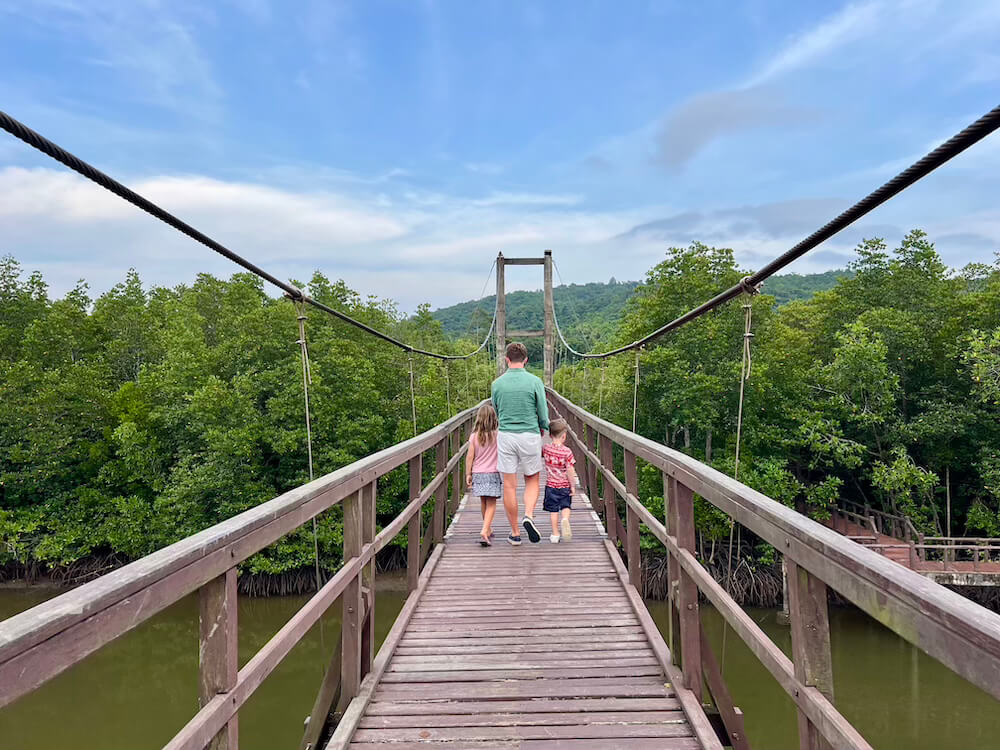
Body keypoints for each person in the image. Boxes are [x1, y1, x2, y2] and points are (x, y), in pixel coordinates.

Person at [491, 341, 549, 545]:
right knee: (532, 478)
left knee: (509, 485)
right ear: (526, 360)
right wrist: (544, 427)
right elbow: (542, 412)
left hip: (506, 436)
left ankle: (515, 533)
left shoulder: (497, 384)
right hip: (530, 435)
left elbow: (496, 412)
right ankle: (529, 515)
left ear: (507, 359)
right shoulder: (535, 381)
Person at [465, 402, 501, 547]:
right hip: (492, 473)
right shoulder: (498, 435)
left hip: (478, 473)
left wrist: (468, 473)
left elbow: (469, 456)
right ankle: (484, 531)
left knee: (483, 502)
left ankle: (488, 528)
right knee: (492, 503)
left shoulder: (474, 436)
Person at [542, 419, 577, 543]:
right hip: (564, 485)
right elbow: (570, 470)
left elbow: (539, 453)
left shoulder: (546, 449)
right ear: (564, 436)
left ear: (550, 435)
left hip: (551, 486)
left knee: (553, 510)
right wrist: (572, 486)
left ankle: (555, 534)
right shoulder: (567, 452)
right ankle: (565, 520)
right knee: (565, 506)